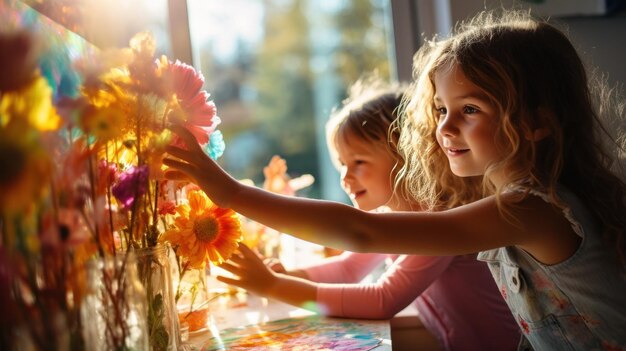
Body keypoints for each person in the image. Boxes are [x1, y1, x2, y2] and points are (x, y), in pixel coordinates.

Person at [163, 9, 626, 350]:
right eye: (442, 110)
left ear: (536, 122)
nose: (445, 128)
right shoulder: (512, 204)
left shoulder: (533, 209)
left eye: (469, 110)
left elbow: (361, 232)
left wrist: (228, 191)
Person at [216, 78, 520, 350]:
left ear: (406, 157)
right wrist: (283, 276)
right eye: (341, 165)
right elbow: (349, 268)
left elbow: (383, 300)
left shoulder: (438, 220)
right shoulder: (396, 218)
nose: (345, 177)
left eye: (359, 162)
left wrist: (273, 285)